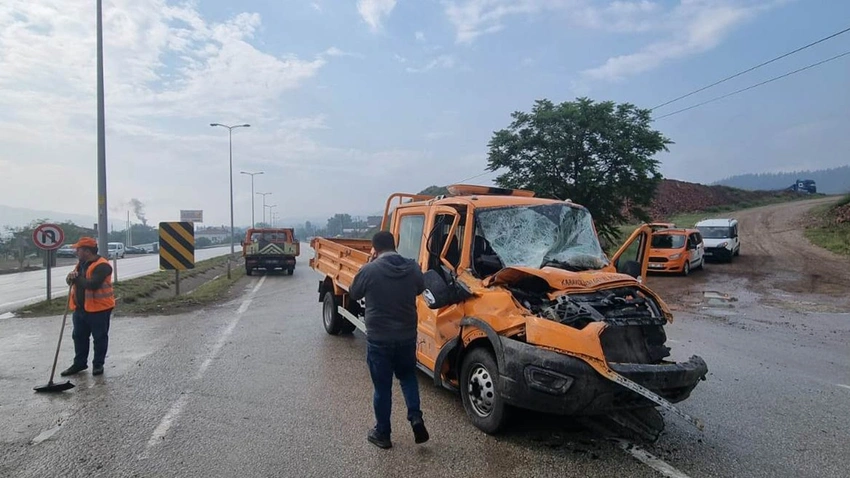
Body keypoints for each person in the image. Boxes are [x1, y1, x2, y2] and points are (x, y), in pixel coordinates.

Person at [349, 231, 429, 449]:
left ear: (375, 249)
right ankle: (415, 417)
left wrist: (367, 265)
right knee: (408, 377)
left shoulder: (370, 269)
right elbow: (420, 288)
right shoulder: (412, 267)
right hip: (406, 336)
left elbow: (354, 293)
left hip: (379, 339)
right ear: (395, 245)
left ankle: (383, 433)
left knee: (382, 387)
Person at [60, 237, 115, 377]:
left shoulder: (103, 265)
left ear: (86, 251)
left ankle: (98, 364)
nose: (76, 251)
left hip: (99, 309)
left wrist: (76, 278)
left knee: (99, 337)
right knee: (78, 337)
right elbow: (71, 281)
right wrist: (70, 277)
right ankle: (79, 363)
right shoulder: (81, 264)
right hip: (80, 309)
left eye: (78, 249)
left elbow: (92, 284)